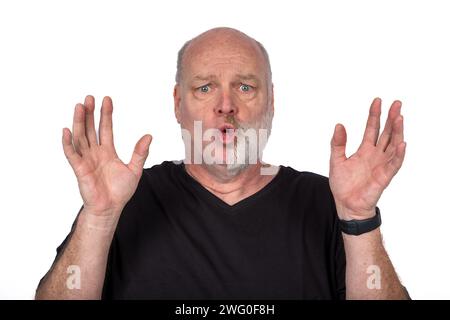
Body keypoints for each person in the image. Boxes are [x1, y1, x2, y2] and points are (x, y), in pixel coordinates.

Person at [35, 27, 409, 299]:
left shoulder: (327, 202)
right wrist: (99, 217)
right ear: (178, 103)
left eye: (245, 87)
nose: (226, 105)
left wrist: (358, 217)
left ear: (272, 103)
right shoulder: (124, 200)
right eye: (205, 87)